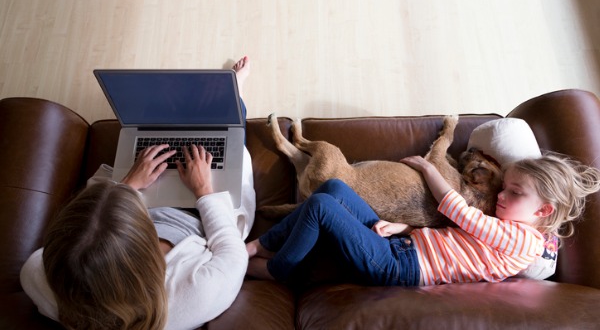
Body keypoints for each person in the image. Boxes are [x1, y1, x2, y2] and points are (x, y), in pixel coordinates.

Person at [20, 56, 256, 330]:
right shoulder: (191, 298)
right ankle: (232, 93)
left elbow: (45, 258)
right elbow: (233, 253)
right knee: (227, 136)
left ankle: (199, 99)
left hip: (145, 198)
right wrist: (203, 190)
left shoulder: (43, 280)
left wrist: (128, 186)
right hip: (200, 219)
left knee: (153, 138)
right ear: (142, 261)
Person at [246, 152, 600, 286]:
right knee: (334, 189)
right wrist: (408, 227)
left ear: (544, 211)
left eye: (515, 193)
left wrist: (430, 168)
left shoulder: (526, 241)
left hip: (399, 267)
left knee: (321, 208)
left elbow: (459, 212)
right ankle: (261, 246)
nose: (501, 197)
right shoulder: (507, 228)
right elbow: (453, 239)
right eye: (504, 188)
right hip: (401, 244)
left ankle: (276, 267)